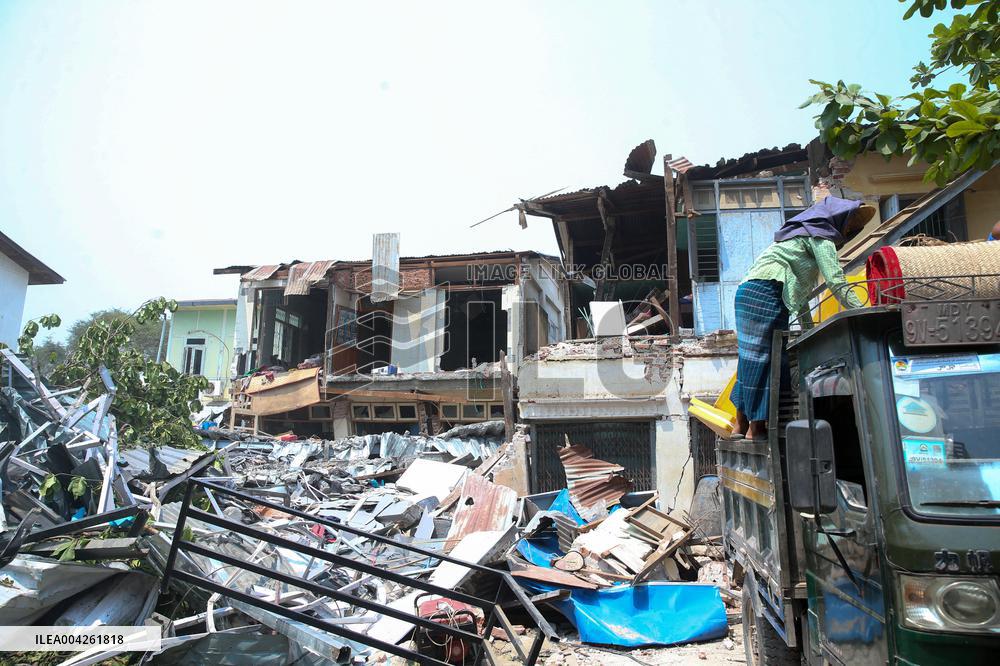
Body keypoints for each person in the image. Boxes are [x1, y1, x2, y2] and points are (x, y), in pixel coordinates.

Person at [733, 196, 875, 440]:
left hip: (750, 291)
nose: (849, 231)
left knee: (751, 357)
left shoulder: (799, 235)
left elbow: (798, 296)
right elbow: (836, 281)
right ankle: (755, 429)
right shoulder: (821, 236)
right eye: (849, 224)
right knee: (769, 358)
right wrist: (863, 310)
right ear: (838, 220)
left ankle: (741, 424)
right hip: (767, 291)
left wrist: (808, 331)